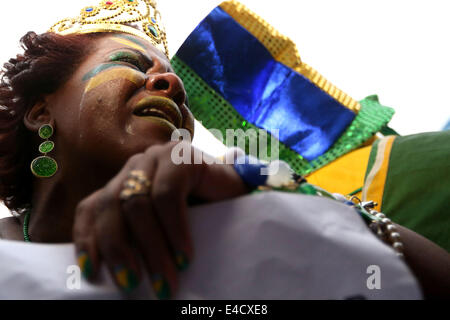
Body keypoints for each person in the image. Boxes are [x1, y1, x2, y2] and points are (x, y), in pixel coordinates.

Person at [0, 0, 448, 299]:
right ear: (41, 112)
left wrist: (294, 201)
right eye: (129, 63)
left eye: (177, 85)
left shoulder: (246, 230)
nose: (172, 84)